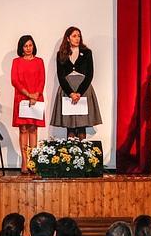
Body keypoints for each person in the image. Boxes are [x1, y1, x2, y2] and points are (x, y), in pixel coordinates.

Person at [51, 26, 102, 140]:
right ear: (68, 38)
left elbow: (90, 75)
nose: (77, 38)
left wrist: (79, 93)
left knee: (82, 125)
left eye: (79, 36)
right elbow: (61, 76)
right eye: (74, 36)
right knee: (70, 127)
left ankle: (82, 154)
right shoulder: (61, 54)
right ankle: (70, 155)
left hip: (83, 90)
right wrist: (71, 93)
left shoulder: (87, 52)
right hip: (67, 90)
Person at [11, 35, 46, 174]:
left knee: (33, 128)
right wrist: (28, 94)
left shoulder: (39, 61)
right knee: (23, 129)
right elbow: (15, 81)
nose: (28, 48)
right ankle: (25, 162)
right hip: (22, 98)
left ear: (33, 46)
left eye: (30, 45)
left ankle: (33, 160)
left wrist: (35, 95)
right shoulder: (16, 61)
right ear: (21, 47)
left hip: (36, 98)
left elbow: (42, 80)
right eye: (25, 46)